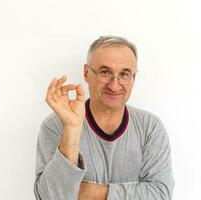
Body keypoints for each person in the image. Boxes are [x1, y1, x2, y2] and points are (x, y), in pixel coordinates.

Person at [34, 36, 175, 200]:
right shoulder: (56, 125)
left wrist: (95, 193)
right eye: (105, 72)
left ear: (134, 78)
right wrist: (72, 129)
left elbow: (161, 195)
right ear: (87, 73)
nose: (114, 85)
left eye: (124, 74)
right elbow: (50, 197)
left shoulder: (150, 127)